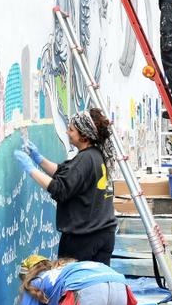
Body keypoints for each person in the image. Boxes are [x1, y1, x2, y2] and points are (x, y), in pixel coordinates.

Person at [14, 109, 116, 265]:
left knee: (73, 286)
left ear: (84, 135)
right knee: (95, 284)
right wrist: (38, 159)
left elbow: (60, 189)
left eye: (71, 130)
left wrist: (31, 169)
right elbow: (67, 174)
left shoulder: (85, 159)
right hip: (102, 234)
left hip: (84, 240)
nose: (67, 132)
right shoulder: (95, 155)